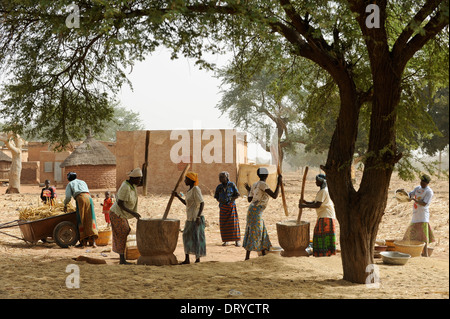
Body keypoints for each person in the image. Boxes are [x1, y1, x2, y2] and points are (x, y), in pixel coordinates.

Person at [243, 167, 282, 260]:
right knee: (256, 231)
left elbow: (249, 200)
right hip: (257, 211)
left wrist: (249, 190)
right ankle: (247, 257)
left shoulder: (254, 184)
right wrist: (279, 183)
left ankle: (263, 253)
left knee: (259, 229)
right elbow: (275, 196)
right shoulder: (263, 185)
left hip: (252, 210)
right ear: (266, 175)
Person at [109, 168, 142, 265]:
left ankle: (122, 256)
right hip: (117, 213)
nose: (140, 181)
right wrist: (133, 213)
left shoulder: (132, 186)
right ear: (133, 178)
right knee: (122, 233)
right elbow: (120, 203)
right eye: (138, 179)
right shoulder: (125, 187)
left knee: (125, 231)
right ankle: (122, 259)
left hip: (122, 214)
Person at [299, 174, 337, 257]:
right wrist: (305, 202)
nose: (315, 182)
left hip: (326, 215)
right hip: (325, 215)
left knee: (321, 233)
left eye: (317, 180)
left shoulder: (324, 191)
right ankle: (325, 253)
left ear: (322, 181)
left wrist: (304, 206)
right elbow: (316, 202)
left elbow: (317, 205)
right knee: (322, 234)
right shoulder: (323, 191)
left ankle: (323, 253)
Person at [173, 172, 205, 264]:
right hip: (190, 218)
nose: (185, 181)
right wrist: (178, 197)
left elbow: (202, 203)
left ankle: (197, 259)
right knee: (186, 236)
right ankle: (187, 259)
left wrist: (198, 216)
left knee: (197, 238)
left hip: (196, 218)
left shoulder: (196, 189)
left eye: (186, 179)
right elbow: (187, 204)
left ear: (191, 180)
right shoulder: (189, 191)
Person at [402, 174, 435, 257]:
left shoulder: (429, 192)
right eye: (421, 182)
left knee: (423, 235)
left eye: (424, 183)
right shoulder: (417, 188)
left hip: (423, 215)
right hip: (415, 214)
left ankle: (425, 253)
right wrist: (405, 194)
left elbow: (424, 203)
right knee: (411, 232)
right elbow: (411, 194)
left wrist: (414, 200)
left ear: (427, 183)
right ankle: (412, 251)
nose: (422, 184)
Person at [63, 172, 98, 248]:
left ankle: (83, 242)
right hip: (89, 198)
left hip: (80, 199)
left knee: (81, 218)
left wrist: (65, 204)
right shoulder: (82, 182)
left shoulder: (70, 184)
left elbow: (68, 196)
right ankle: (93, 242)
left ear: (69, 178)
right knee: (90, 218)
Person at [214, 171, 241, 247]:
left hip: (231, 206)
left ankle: (237, 240)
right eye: (220, 177)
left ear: (227, 177)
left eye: (222, 177)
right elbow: (216, 196)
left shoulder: (232, 185)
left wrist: (231, 200)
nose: (221, 179)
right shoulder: (219, 187)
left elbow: (237, 194)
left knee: (234, 223)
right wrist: (220, 200)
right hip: (223, 207)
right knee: (224, 224)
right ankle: (226, 240)